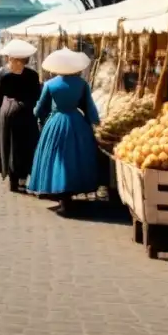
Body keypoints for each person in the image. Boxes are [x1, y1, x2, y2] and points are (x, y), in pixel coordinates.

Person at [27, 48, 101, 212]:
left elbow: (40, 108)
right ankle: (72, 192)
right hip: (76, 123)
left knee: (57, 159)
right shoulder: (82, 84)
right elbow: (89, 107)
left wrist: (38, 115)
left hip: (56, 123)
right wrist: (93, 122)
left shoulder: (50, 84)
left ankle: (62, 197)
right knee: (75, 159)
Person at [0, 39, 42, 193]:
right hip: (27, 117)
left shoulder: (4, 75)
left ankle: (12, 180)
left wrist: (1, 110)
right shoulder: (33, 75)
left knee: (8, 147)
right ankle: (22, 179)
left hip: (7, 117)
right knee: (26, 148)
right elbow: (37, 96)